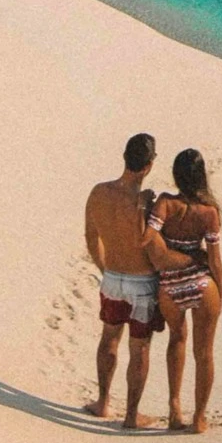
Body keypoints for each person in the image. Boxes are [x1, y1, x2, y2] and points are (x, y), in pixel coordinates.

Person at [83, 132, 164, 428]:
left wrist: (105, 268)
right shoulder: (146, 202)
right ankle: (131, 416)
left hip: (113, 278)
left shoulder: (99, 193)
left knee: (109, 337)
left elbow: (91, 238)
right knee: (139, 347)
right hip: (141, 283)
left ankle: (102, 402)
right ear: (150, 165)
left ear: (124, 158)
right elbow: (154, 247)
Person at [145, 148, 222, 434]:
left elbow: (149, 236)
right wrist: (221, 290)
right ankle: (200, 417)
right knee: (204, 352)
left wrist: (165, 256)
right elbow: (214, 259)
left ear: (176, 175)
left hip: (170, 284)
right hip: (202, 284)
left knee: (176, 340)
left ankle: (174, 407)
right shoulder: (209, 212)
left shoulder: (166, 204)